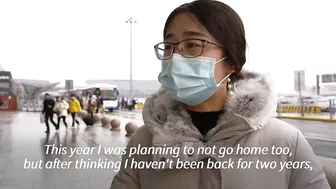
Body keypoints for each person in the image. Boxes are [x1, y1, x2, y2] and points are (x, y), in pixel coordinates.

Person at [110, 1, 330, 189]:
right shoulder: (145, 141)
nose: (175, 57)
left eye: (192, 44)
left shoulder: (285, 141)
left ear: (231, 62)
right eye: (169, 46)